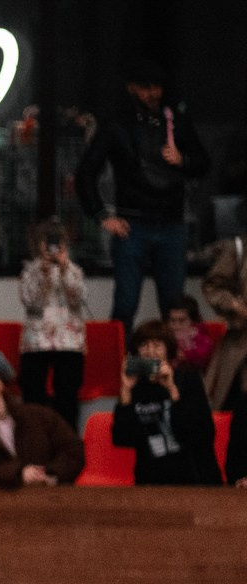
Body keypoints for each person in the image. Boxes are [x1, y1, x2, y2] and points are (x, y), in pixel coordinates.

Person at [75, 58, 210, 331]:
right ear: (131, 88)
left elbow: (204, 163)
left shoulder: (176, 120)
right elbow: (85, 173)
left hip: (170, 222)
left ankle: (171, 368)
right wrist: (102, 215)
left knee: (173, 305)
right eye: (145, 87)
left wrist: (183, 159)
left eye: (156, 87)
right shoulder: (117, 125)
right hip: (132, 224)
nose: (152, 93)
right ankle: (122, 366)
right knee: (126, 303)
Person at [111, 319, 220, 486]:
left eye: (157, 345)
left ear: (168, 351)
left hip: (194, 477)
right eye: (144, 346)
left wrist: (172, 390)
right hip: (151, 480)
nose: (150, 352)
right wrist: (125, 391)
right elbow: (122, 438)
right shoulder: (136, 388)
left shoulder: (188, 380)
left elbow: (201, 434)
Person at [0, 365, 84, 489]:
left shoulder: (38, 415)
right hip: (6, 497)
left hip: (53, 491)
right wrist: (19, 472)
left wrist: (50, 473)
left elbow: (74, 449)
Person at [18, 220, 89, 428]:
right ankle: (33, 442)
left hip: (69, 340)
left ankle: (67, 443)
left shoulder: (74, 270)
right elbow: (31, 302)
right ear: (38, 244)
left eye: (57, 241)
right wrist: (44, 272)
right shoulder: (30, 270)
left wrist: (65, 269)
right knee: (32, 395)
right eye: (47, 241)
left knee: (67, 396)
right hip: (36, 341)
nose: (52, 246)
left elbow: (78, 298)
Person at [200, 230, 247, 413]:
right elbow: (213, 286)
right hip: (241, 343)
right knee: (235, 412)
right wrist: (234, 305)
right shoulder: (239, 248)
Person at [165, 296, 214, 373]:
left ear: (193, 321)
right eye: (172, 321)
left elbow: (204, 359)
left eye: (182, 321)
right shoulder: (164, 337)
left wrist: (186, 356)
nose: (176, 326)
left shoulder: (201, 338)